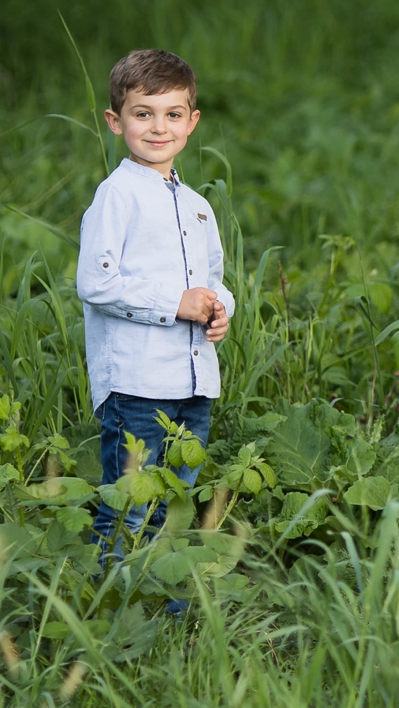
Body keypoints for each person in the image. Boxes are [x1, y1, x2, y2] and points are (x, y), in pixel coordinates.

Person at [77, 49, 234, 560]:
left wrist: (218, 307)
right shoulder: (117, 195)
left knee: (176, 500)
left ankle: (168, 608)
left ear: (192, 121)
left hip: (193, 381)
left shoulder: (197, 204)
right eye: (143, 114)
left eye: (172, 114)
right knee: (131, 502)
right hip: (138, 383)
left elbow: (212, 278)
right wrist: (175, 303)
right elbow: (96, 284)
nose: (158, 127)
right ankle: (113, 604)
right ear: (115, 121)